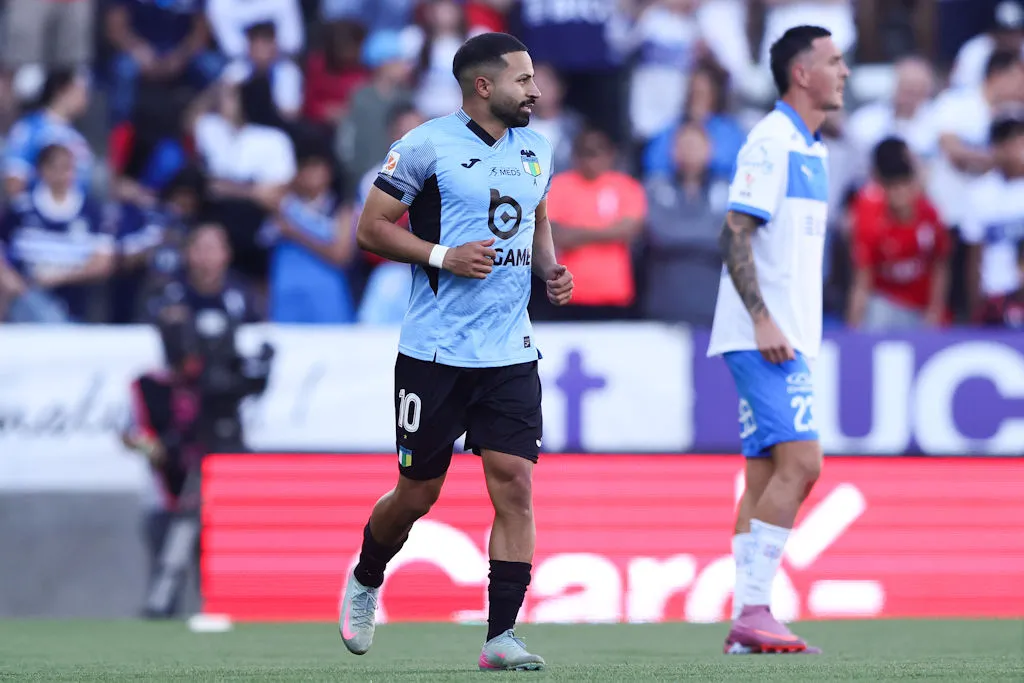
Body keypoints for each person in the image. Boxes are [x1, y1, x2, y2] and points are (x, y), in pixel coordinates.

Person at [339, 32, 574, 671]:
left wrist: (549, 269)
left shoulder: (538, 149)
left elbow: (538, 216)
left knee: (515, 486)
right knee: (417, 494)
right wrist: (444, 255)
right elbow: (370, 229)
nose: (536, 90)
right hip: (436, 351)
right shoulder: (424, 146)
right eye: (524, 80)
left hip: (509, 351)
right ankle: (366, 575)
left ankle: (500, 637)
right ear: (483, 86)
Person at [707, 25, 848, 655]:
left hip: (781, 334)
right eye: (834, 62)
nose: (844, 72)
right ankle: (757, 610)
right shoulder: (771, 142)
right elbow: (735, 231)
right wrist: (763, 318)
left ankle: (746, 624)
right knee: (804, 463)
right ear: (801, 73)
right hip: (764, 336)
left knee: (764, 475)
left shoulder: (811, 148)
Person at [847, 137, 950, 330]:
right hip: (886, 300)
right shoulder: (870, 219)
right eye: (893, 187)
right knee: (876, 314)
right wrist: (853, 329)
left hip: (921, 304)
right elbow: (862, 277)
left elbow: (940, 264)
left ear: (913, 184)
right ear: (884, 188)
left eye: (904, 185)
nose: (899, 193)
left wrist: (935, 308)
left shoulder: (929, 214)